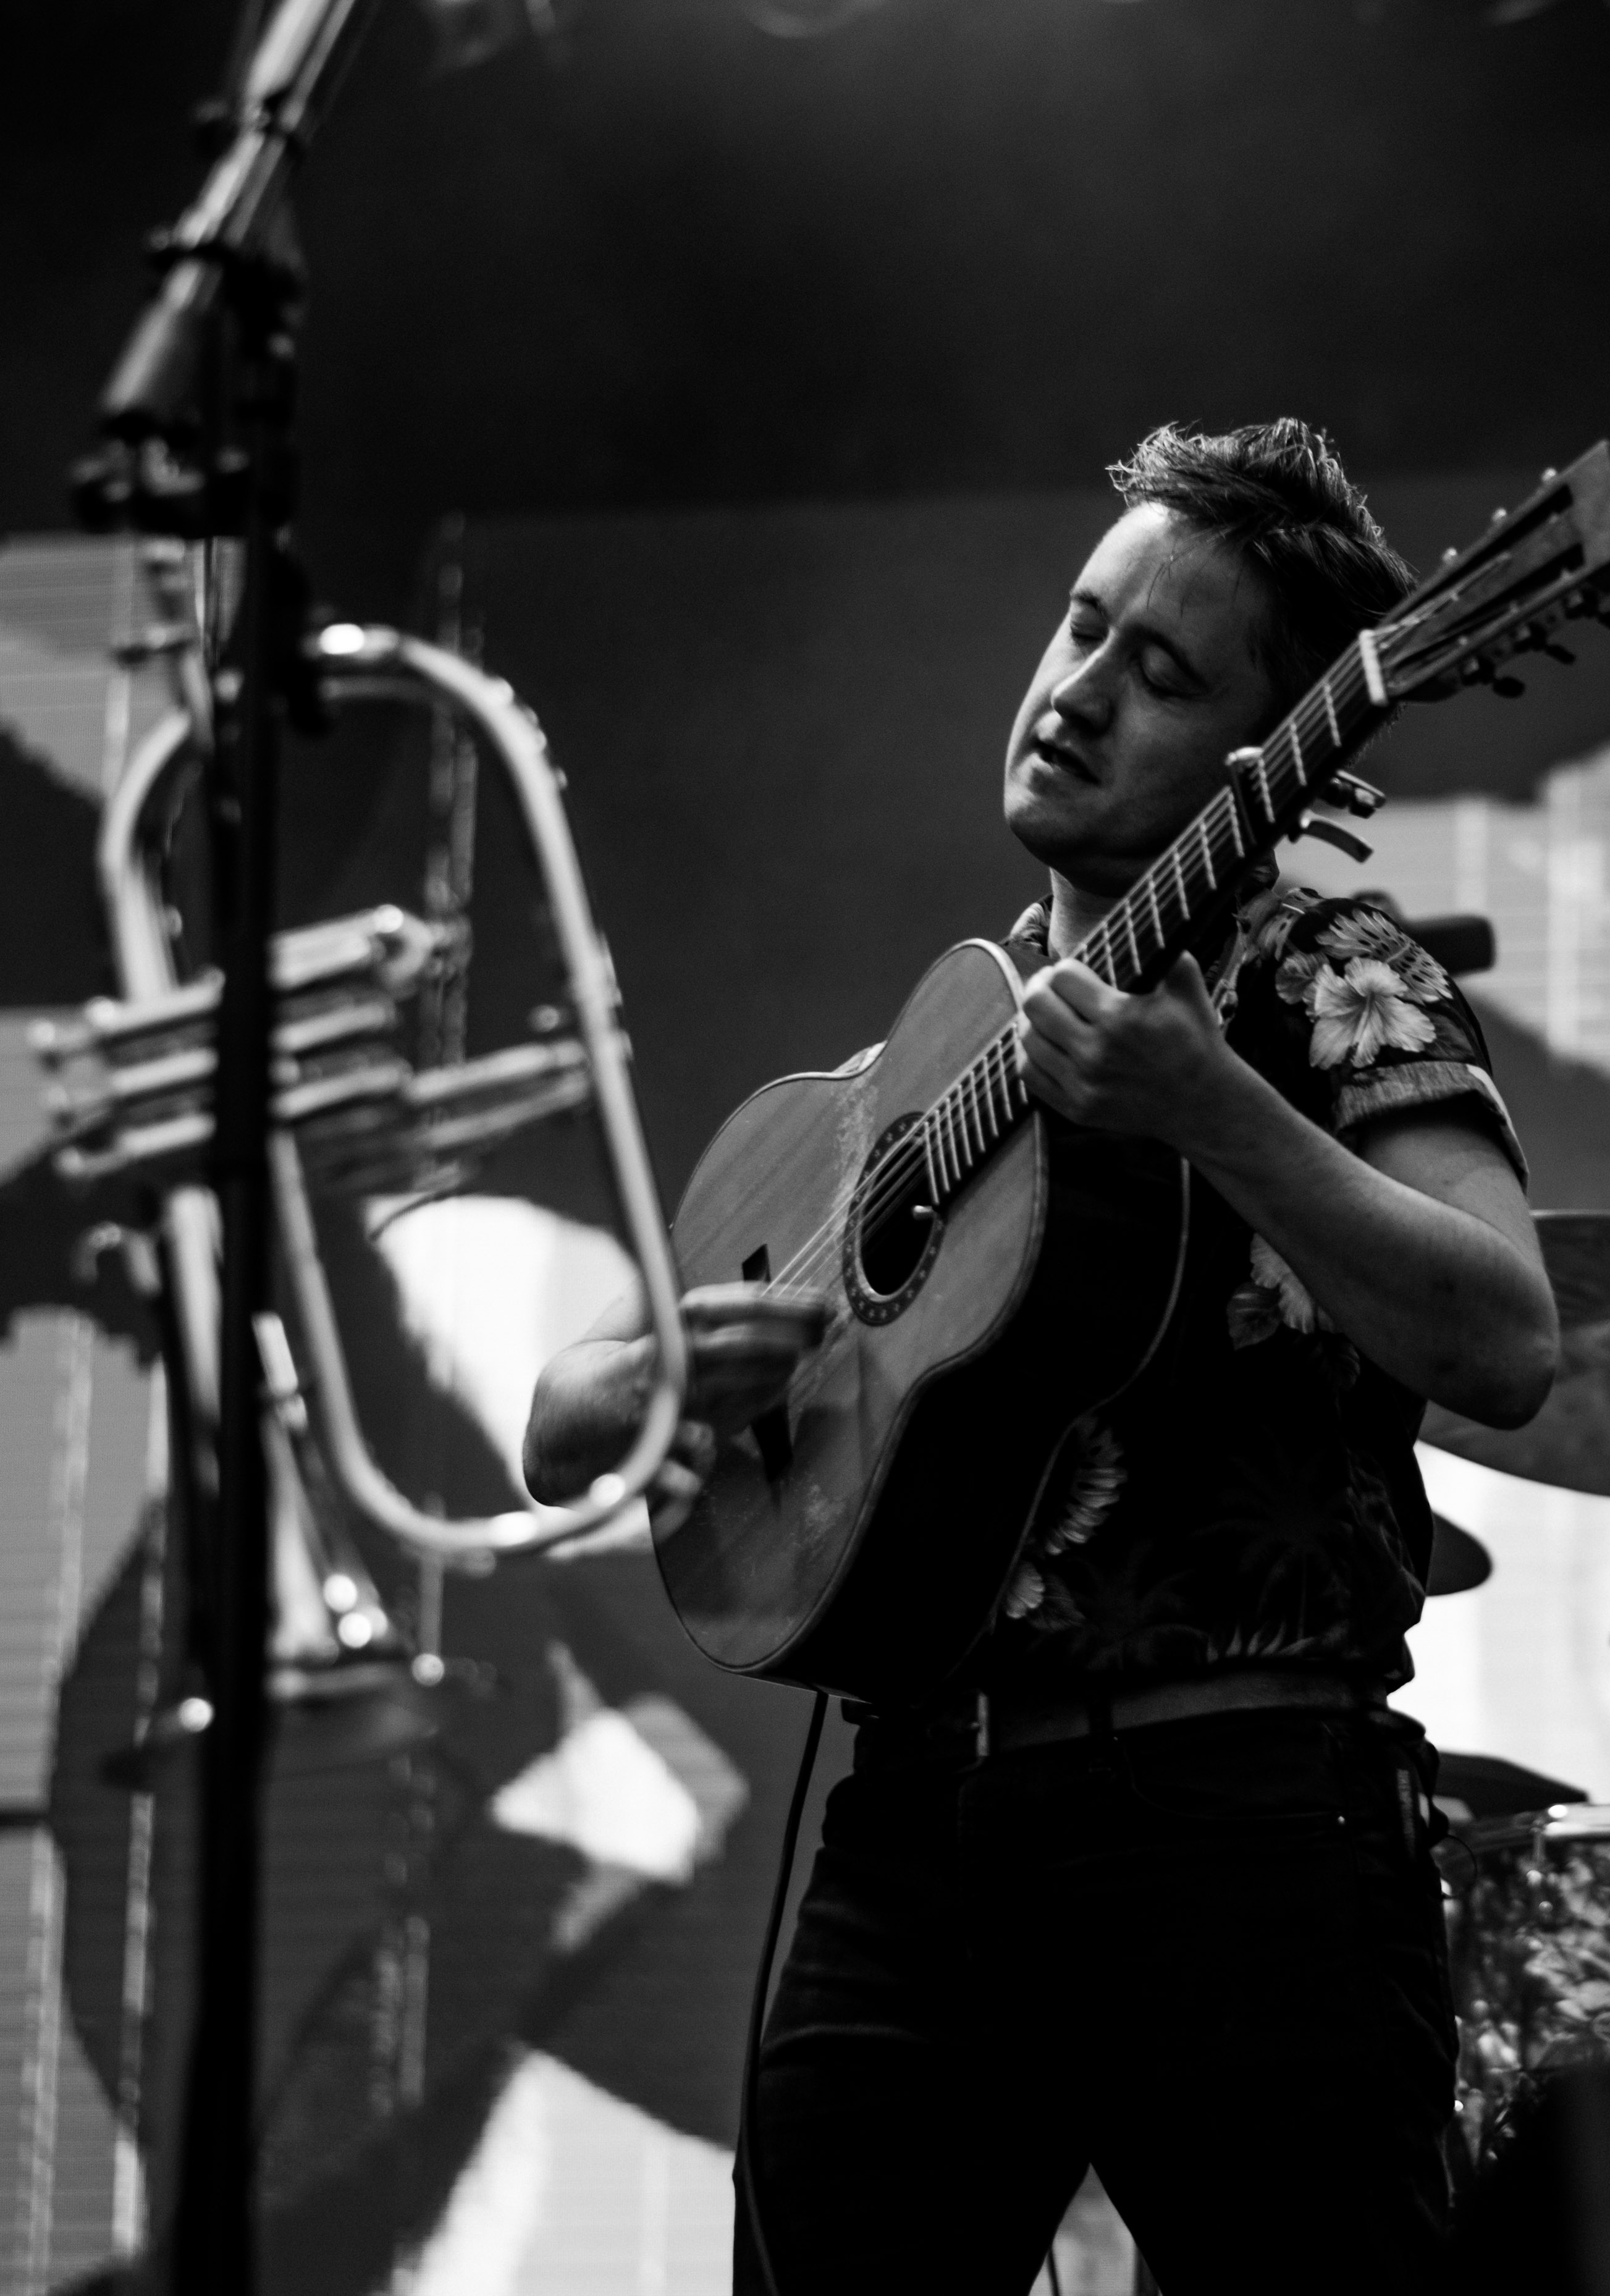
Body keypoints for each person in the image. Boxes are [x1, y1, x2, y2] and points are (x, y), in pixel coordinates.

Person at [522, 419, 1556, 2294]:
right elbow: (558, 1420)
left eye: (1161, 673)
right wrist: (667, 1371)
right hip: (922, 1825)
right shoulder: (920, 1059)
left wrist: (1218, 1107)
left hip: (1245, 1821)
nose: (1078, 692)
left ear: (1266, 756)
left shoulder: (1337, 977)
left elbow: (1505, 1335)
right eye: (1084, 626)